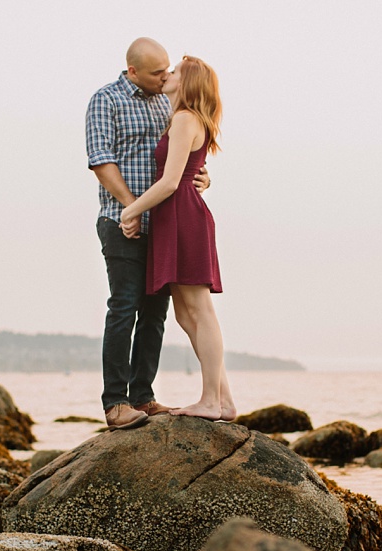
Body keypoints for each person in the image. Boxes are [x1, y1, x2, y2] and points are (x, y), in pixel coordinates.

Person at [86, 38, 208, 430]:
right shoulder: (105, 100)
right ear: (133, 70)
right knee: (124, 306)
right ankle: (115, 403)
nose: (165, 77)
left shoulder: (166, 101)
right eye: (158, 72)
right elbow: (100, 160)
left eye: (167, 69)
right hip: (119, 220)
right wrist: (129, 208)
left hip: (164, 225)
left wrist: (199, 175)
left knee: (155, 313)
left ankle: (143, 396)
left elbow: (179, 156)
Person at [120, 56, 235, 421]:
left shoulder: (186, 119)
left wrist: (130, 210)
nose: (168, 74)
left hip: (182, 214)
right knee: (186, 315)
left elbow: (171, 181)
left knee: (199, 310)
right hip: (175, 215)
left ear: (188, 83)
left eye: (176, 72)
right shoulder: (182, 117)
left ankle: (211, 402)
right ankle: (224, 400)